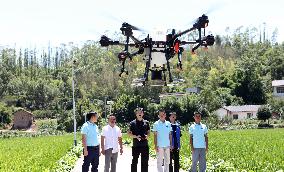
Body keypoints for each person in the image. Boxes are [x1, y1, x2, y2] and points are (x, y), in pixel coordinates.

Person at [128, 107, 150, 172]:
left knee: (145, 162)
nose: (140, 113)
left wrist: (147, 136)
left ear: (143, 114)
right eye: (138, 112)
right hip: (136, 146)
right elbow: (129, 133)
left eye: (141, 112)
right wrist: (136, 136)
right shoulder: (132, 123)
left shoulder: (146, 122)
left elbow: (149, 133)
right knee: (134, 162)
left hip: (145, 145)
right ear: (136, 114)